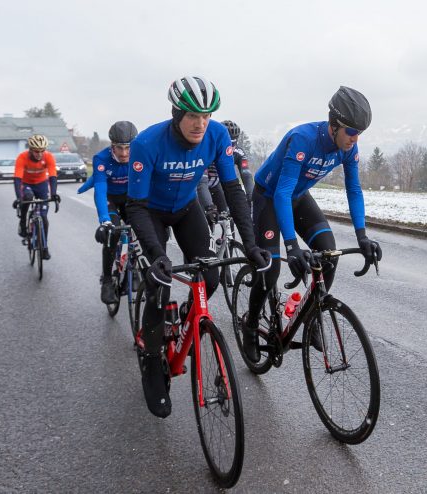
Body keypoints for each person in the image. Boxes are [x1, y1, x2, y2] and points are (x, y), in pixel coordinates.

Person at [126, 75, 271, 418]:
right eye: (193, 115)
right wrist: (158, 255)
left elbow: (234, 191)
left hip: (187, 208)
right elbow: (134, 206)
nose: (200, 123)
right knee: (158, 285)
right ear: (177, 113)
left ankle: (192, 323)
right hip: (151, 211)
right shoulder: (148, 143)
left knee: (211, 277)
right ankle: (151, 362)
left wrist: (250, 244)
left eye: (206, 115)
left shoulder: (217, 135)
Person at [241, 86, 382, 362]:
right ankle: (250, 325)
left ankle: (310, 317)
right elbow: (281, 192)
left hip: (296, 196)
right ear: (334, 125)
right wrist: (291, 245)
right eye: (351, 132)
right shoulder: (303, 139)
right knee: (269, 271)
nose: (355, 139)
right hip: (269, 196)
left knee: (328, 252)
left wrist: (362, 236)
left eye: (360, 133)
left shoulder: (348, 148)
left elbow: (353, 189)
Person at [87, 121, 138, 304]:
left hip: (131, 199)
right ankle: (107, 281)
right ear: (112, 146)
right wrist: (104, 221)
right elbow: (100, 190)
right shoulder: (101, 159)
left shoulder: (141, 155)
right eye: (119, 148)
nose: (124, 153)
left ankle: (136, 269)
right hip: (110, 200)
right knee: (112, 233)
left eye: (128, 148)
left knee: (142, 229)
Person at [196, 119, 252, 227]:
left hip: (216, 186)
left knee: (227, 219)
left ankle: (229, 242)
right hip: (198, 186)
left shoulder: (239, 153)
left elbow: (247, 176)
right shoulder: (206, 149)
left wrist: (250, 197)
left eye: (232, 145)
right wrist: (209, 207)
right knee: (206, 221)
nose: (228, 148)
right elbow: (201, 183)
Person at [12, 134, 60, 259]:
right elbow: (17, 179)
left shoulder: (48, 157)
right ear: (31, 149)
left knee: (43, 218)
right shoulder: (22, 158)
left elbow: (53, 176)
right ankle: (23, 222)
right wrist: (18, 198)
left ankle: (44, 248)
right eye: (36, 151)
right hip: (27, 184)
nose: (39, 154)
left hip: (41, 185)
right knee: (26, 198)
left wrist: (54, 194)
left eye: (42, 151)